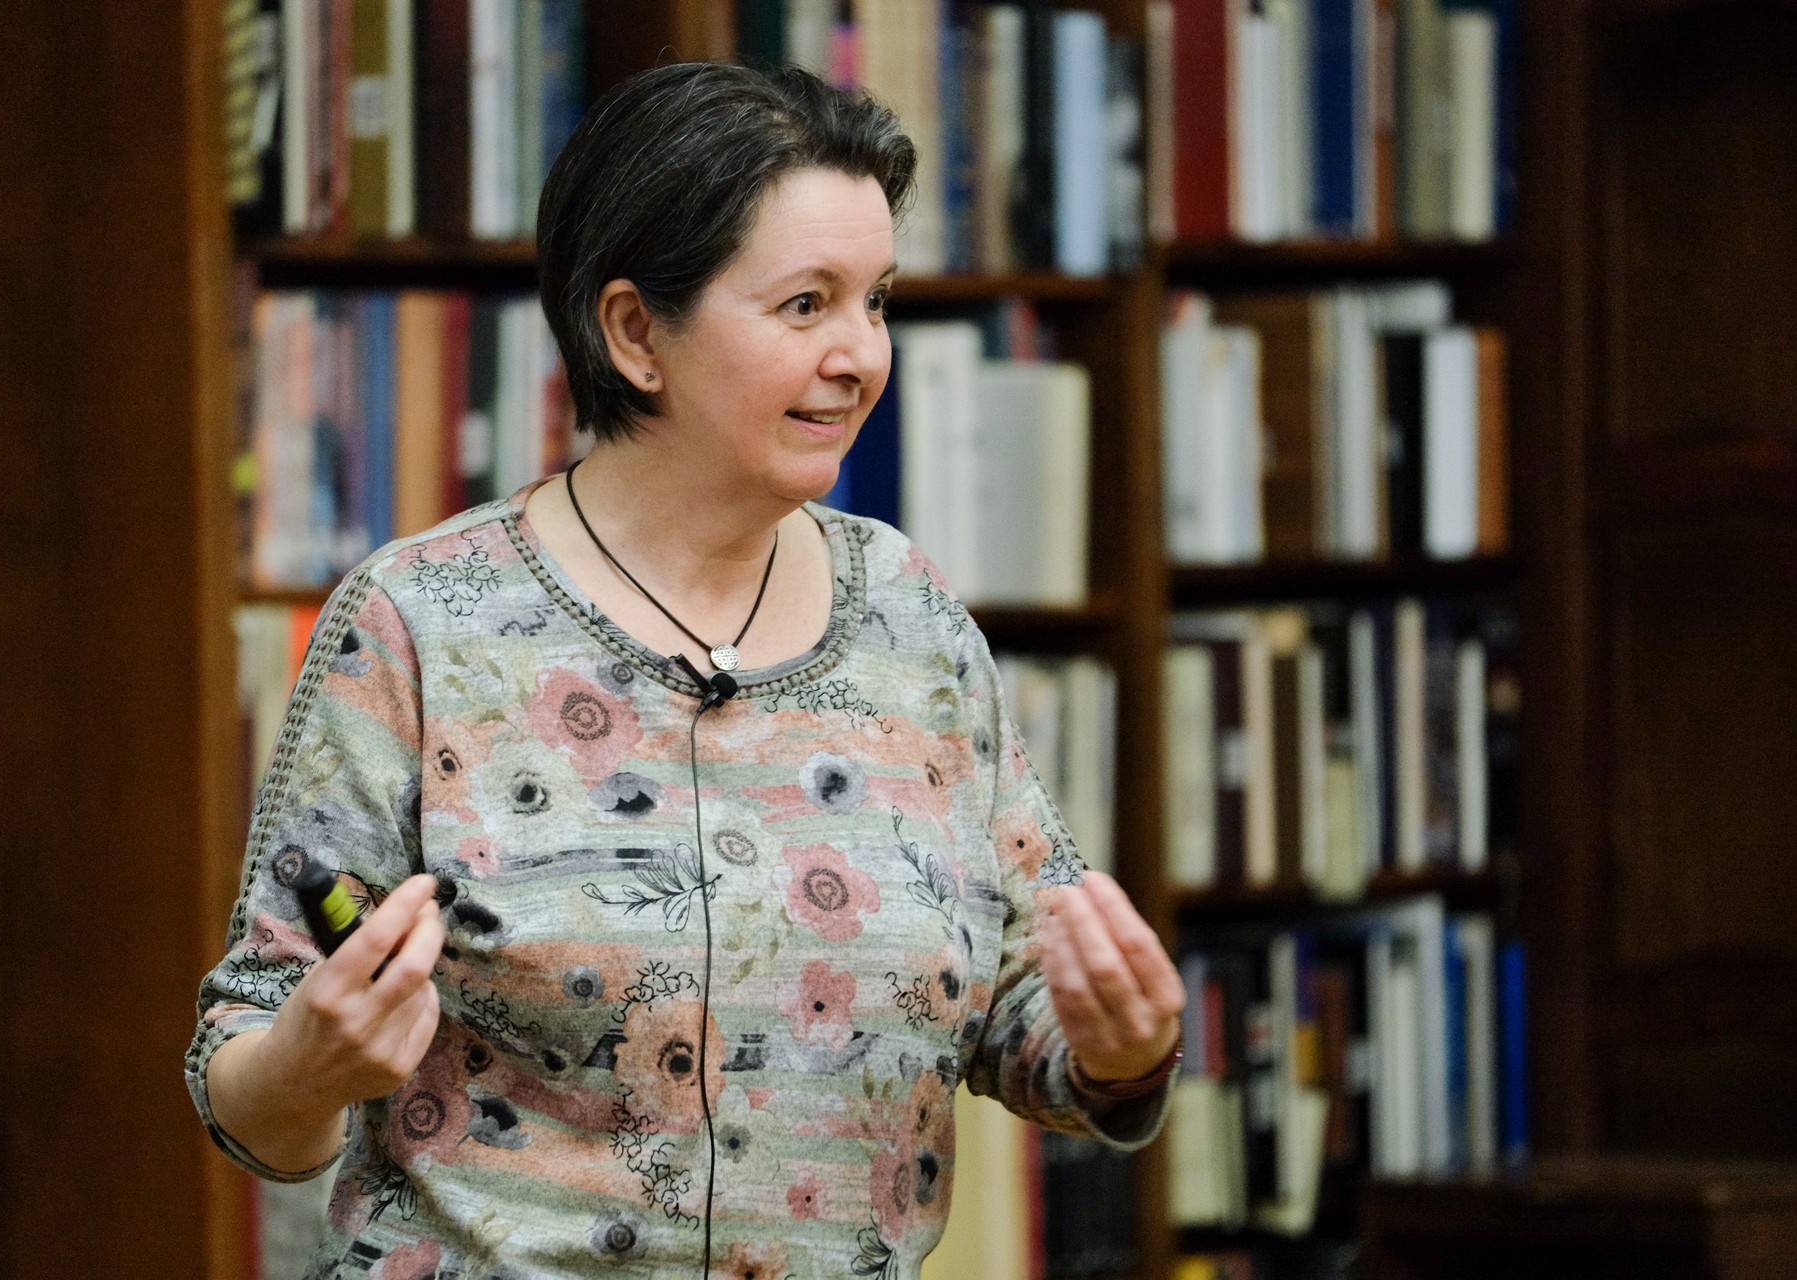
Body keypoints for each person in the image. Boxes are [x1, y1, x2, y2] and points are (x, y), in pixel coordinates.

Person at [188, 61, 1184, 1280]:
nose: (862, 355)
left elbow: (1027, 1010)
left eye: (876, 300)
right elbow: (251, 1084)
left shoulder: (913, 620)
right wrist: (308, 1064)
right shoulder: (420, 620)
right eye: (806, 304)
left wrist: (1123, 1047)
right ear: (634, 332)